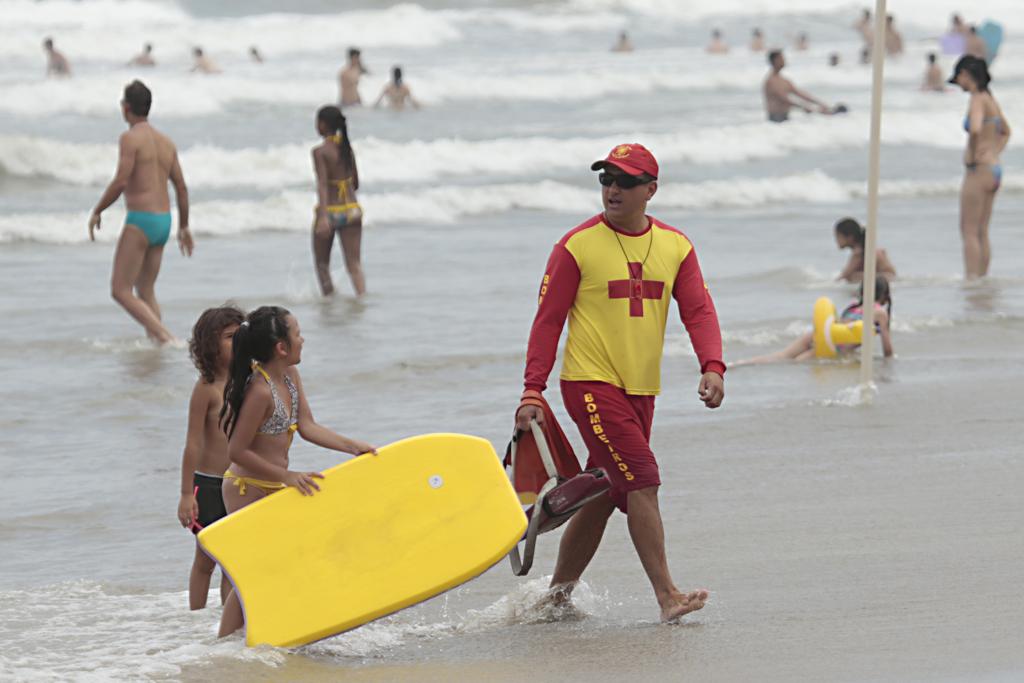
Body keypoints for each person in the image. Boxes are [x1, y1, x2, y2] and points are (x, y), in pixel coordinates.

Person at [515, 143, 725, 623]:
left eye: (625, 181)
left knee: (607, 492)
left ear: (650, 190)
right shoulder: (576, 246)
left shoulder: (675, 246)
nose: (613, 189)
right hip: (589, 384)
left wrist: (712, 364)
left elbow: (698, 311)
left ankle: (556, 597)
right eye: (606, 179)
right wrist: (533, 388)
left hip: (641, 389)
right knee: (643, 479)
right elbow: (548, 321)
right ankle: (667, 596)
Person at [217, 305, 376, 637]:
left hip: (275, 484)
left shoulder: (289, 376)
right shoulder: (260, 390)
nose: (303, 339)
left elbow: (307, 426)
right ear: (281, 347)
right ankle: (225, 643)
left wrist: (352, 447)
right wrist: (287, 477)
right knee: (256, 571)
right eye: (298, 333)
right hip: (246, 486)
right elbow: (237, 451)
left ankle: (272, 629)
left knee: (286, 561)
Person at [88, 80, 193, 344]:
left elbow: (121, 180)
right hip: (164, 221)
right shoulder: (166, 142)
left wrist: (98, 209)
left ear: (126, 107)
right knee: (145, 290)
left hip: (141, 221)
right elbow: (181, 187)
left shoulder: (130, 138)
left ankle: (166, 337)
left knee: (120, 290)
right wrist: (184, 226)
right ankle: (159, 348)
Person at [178, 305, 244, 610]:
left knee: (233, 560)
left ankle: (227, 621)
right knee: (205, 560)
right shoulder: (205, 389)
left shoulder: (248, 382)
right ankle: (195, 619)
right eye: (229, 337)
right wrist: (185, 494)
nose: (237, 342)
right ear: (209, 345)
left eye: (240, 335)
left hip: (239, 483)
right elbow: (192, 444)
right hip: (208, 485)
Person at [733, 275, 894, 365]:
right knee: (796, 364)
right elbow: (887, 349)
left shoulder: (853, 306)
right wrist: (889, 364)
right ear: (885, 295)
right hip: (833, 344)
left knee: (782, 356)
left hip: (819, 333)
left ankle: (742, 363)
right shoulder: (880, 313)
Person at [950, 56, 1010, 279]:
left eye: (959, 78)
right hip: (994, 169)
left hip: (979, 170)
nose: (959, 84)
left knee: (968, 230)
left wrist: (973, 155)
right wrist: (994, 151)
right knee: (982, 230)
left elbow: (975, 129)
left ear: (966, 74)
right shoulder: (989, 98)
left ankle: (972, 279)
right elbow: (1006, 131)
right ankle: (982, 279)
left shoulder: (977, 99)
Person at [312, 105, 365, 297]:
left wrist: (323, 217)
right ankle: (362, 301)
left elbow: (323, 184)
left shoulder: (320, 152)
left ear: (323, 124)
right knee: (354, 264)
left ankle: (330, 304)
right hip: (352, 210)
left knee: (322, 265)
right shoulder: (347, 148)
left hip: (331, 211)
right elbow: (356, 183)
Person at [763, 50, 831, 122]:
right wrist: (807, 107)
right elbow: (784, 99)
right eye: (781, 58)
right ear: (775, 60)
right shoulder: (771, 81)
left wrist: (820, 103)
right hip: (775, 119)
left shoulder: (784, 80)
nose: (784, 61)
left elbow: (800, 94)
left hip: (785, 117)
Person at [834, 217, 897, 282]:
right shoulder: (867, 249)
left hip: (887, 279)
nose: (836, 240)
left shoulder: (858, 253)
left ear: (850, 237)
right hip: (889, 279)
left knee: (853, 277)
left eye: (838, 236)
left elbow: (844, 275)